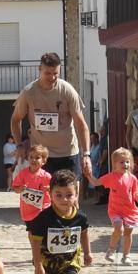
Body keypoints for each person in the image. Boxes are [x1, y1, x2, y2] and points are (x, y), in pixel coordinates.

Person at [10, 52, 92, 181]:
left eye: (56, 73)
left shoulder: (67, 91)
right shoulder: (29, 92)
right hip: (42, 156)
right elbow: (15, 120)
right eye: (48, 73)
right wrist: (19, 145)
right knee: (46, 198)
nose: (52, 77)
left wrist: (86, 154)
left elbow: (81, 124)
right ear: (40, 69)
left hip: (68, 153)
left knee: (71, 197)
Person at [87, 147, 138, 264]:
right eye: (122, 162)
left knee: (128, 233)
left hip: (130, 210)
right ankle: (111, 250)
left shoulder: (132, 178)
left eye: (127, 161)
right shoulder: (111, 177)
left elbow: (136, 192)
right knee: (119, 229)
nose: (125, 164)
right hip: (115, 210)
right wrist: (88, 175)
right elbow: (96, 182)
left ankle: (126, 255)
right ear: (114, 164)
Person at [12, 143, 52, 224]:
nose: (33, 160)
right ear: (27, 158)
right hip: (27, 211)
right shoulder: (22, 174)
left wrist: (49, 189)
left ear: (44, 161)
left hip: (43, 209)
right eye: (31, 157)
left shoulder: (46, 176)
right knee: (32, 233)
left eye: (37, 158)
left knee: (42, 231)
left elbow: (54, 190)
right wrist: (20, 188)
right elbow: (15, 188)